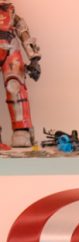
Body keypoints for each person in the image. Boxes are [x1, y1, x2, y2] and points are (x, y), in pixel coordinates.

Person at [0, 2, 41, 149]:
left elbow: (24, 35)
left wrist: (34, 58)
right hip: (8, 47)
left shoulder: (14, 17)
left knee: (15, 87)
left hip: (11, 48)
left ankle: (21, 129)